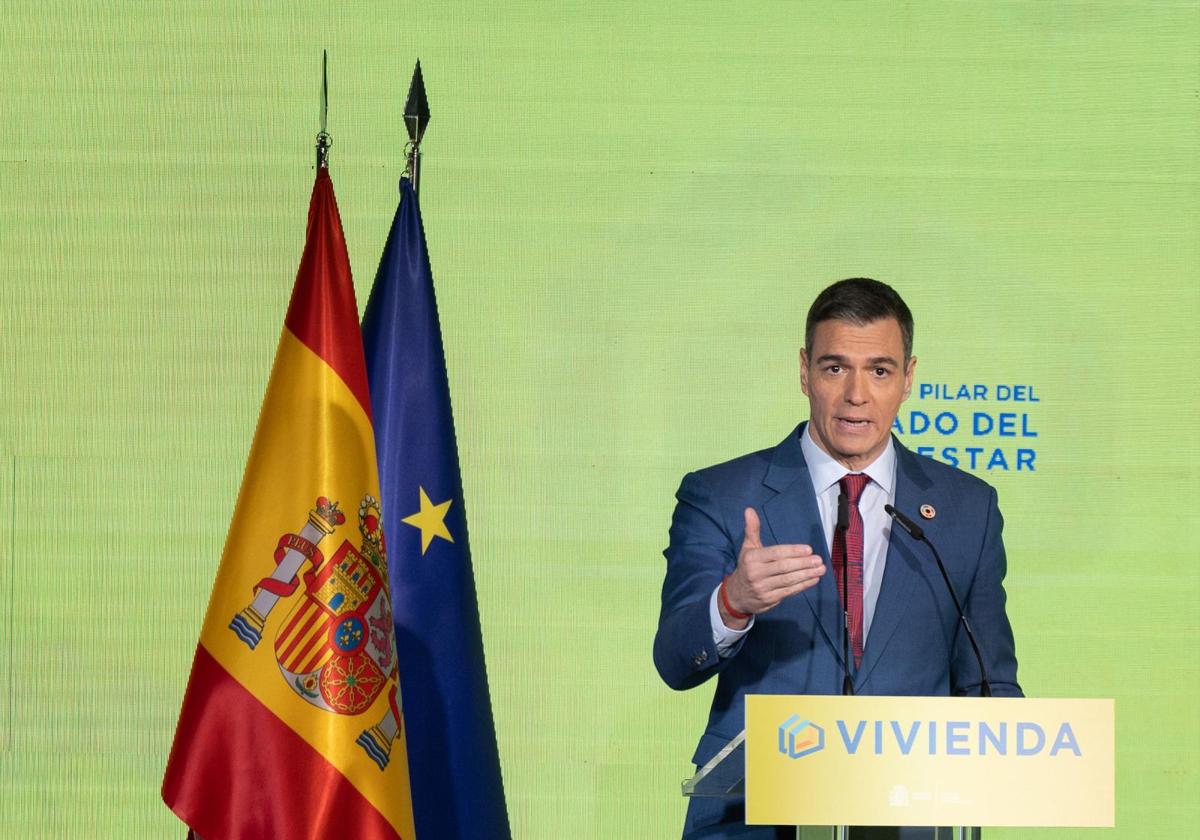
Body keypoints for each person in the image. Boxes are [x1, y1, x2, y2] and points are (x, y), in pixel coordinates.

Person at [653, 278, 1021, 840]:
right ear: (804, 371)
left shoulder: (966, 509)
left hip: (909, 820)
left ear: (908, 378)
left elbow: (988, 684)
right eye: (834, 368)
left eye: (879, 370)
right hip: (752, 819)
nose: (856, 395)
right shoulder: (722, 495)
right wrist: (732, 602)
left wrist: (1022, 748)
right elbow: (676, 660)